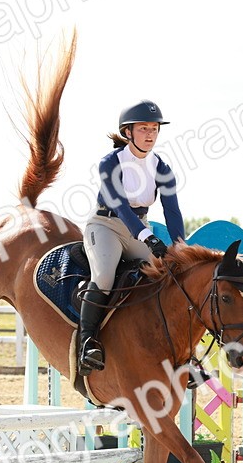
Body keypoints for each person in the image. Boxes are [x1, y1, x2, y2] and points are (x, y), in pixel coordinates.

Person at [78, 99, 186, 375]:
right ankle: (87, 341)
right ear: (128, 132)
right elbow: (119, 206)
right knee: (103, 276)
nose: (150, 134)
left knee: (166, 277)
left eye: (154, 128)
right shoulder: (110, 163)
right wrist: (148, 238)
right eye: (143, 128)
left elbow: (172, 212)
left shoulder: (162, 168)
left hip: (140, 226)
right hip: (106, 225)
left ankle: (180, 350)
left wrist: (180, 248)